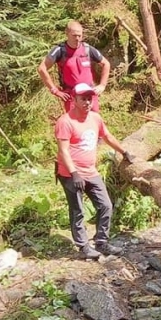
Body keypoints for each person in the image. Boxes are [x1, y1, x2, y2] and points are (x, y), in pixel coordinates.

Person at [55, 83, 134, 260]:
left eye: (89, 98)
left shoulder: (95, 118)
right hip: (70, 173)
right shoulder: (65, 122)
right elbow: (63, 150)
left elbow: (107, 137)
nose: (87, 102)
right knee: (78, 210)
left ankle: (101, 242)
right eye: (83, 98)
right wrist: (74, 173)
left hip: (90, 171)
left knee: (105, 205)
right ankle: (83, 246)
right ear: (74, 100)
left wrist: (124, 152)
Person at [38, 21, 111, 113]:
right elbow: (42, 69)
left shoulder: (88, 49)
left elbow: (106, 64)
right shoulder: (59, 50)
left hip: (90, 94)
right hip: (72, 96)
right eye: (74, 35)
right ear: (67, 34)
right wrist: (55, 90)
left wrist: (102, 85)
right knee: (75, 124)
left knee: (93, 122)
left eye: (79, 35)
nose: (77, 38)